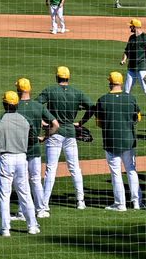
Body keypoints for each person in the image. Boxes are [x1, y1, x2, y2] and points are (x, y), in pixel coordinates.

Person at [81, 71, 142, 211]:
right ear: (121, 83)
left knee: (116, 173)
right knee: (131, 170)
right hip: (129, 140)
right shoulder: (130, 98)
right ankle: (137, 202)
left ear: (110, 83)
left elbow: (98, 122)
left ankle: (120, 204)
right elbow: (137, 118)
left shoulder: (103, 100)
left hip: (111, 140)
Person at [0, 90, 39, 236]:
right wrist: (23, 147)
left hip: (5, 158)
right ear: (17, 104)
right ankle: (32, 226)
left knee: (4, 195)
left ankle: (5, 229)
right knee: (25, 193)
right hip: (22, 158)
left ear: (4, 104)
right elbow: (34, 139)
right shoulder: (25, 119)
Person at [38, 65, 90, 212]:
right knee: (75, 168)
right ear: (68, 77)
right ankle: (81, 201)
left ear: (57, 77)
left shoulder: (50, 91)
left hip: (54, 134)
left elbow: (35, 106)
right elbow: (92, 107)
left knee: (51, 169)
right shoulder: (77, 92)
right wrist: (81, 122)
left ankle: (45, 203)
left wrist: (44, 122)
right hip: (71, 134)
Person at [15, 77, 54, 220]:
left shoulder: (15, 107)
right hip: (35, 149)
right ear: (30, 89)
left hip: (19, 149)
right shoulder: (38, 106)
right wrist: (46, 136)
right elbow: (55, 124)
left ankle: (22, 212)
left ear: (18, 90)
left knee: (22, 181)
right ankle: (41, 210)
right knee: (36, 180)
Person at [120, 19, 146, 117]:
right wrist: (124, 59)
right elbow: (126, 51)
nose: (129, 27)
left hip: (142, 68)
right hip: (131, 68)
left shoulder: (145, 38)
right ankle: (124, 108)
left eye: (131, 26)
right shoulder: (131, 38)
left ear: (135, 27)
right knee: (126, 90)